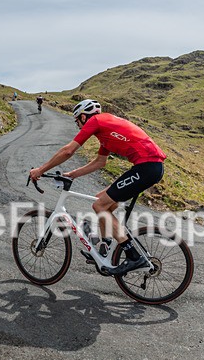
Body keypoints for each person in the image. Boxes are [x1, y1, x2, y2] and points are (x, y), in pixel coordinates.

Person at [29, 99, 167, 275]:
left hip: (147, 167)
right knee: (101, 199)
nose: (78, 125)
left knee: (99, 206)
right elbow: (100, 162)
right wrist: (72, 174)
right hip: (149, 167)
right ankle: (105, 246)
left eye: (77, 120)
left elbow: (68, 151)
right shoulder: (105, 131)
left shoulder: (96, 122)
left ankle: (133, 255)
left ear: (84, 116)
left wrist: (40, 170)